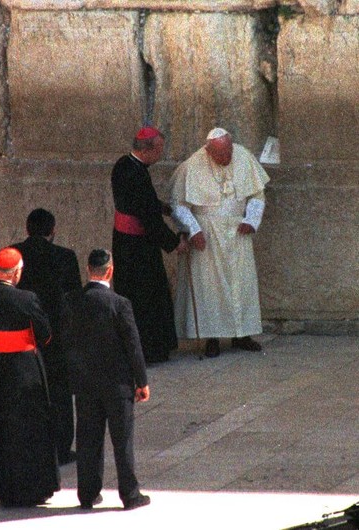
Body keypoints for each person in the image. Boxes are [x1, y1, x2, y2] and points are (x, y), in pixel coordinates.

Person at [0, 247, 60, 508]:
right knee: (27, 427)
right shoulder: (27, 299)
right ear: (17, 272)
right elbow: (45, 335)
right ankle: (29, 487)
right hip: (23, 369)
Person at [62, 249, 151, 511]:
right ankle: (130, 495)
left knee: (88, 440)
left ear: (89, 270)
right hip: (117, 384)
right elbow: (133, 345)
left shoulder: (71, 300)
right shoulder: (119, 304)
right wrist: (141, 381)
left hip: (86, 384)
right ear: (109, 271)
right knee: (122, 440)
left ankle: (88, 495)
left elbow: (66, 342)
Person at [170, 127, 269, 358]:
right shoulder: (192, 165)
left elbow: (257, 195)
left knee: (241, 285)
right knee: (210, 289)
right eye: (221, 155)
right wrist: (193, 230)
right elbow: (178, 204)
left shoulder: (243, 156)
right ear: (208, 151)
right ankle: (211, 337)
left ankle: (242, 334)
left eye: (229, 152)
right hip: (208, 233)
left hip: (238, 232)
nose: (227, 158)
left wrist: (251, 219)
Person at [111, 126, 187, 364]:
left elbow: (141, 203)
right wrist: (174, 243)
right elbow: (147, 216)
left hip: (125, 243)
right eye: (160, 149)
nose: (161, 155)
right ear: (149, 149)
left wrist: (161, 206)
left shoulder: (124, 165)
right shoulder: (136, 173)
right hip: (138, 246)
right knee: (147, 297)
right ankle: (150, 350)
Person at [11, 208, 81, 465]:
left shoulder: (13, 254)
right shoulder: (65, 256)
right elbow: (73, 298)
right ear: (52, 231)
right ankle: (61, 448)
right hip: (55, 335)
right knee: (60, 393)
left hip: (22, 336)